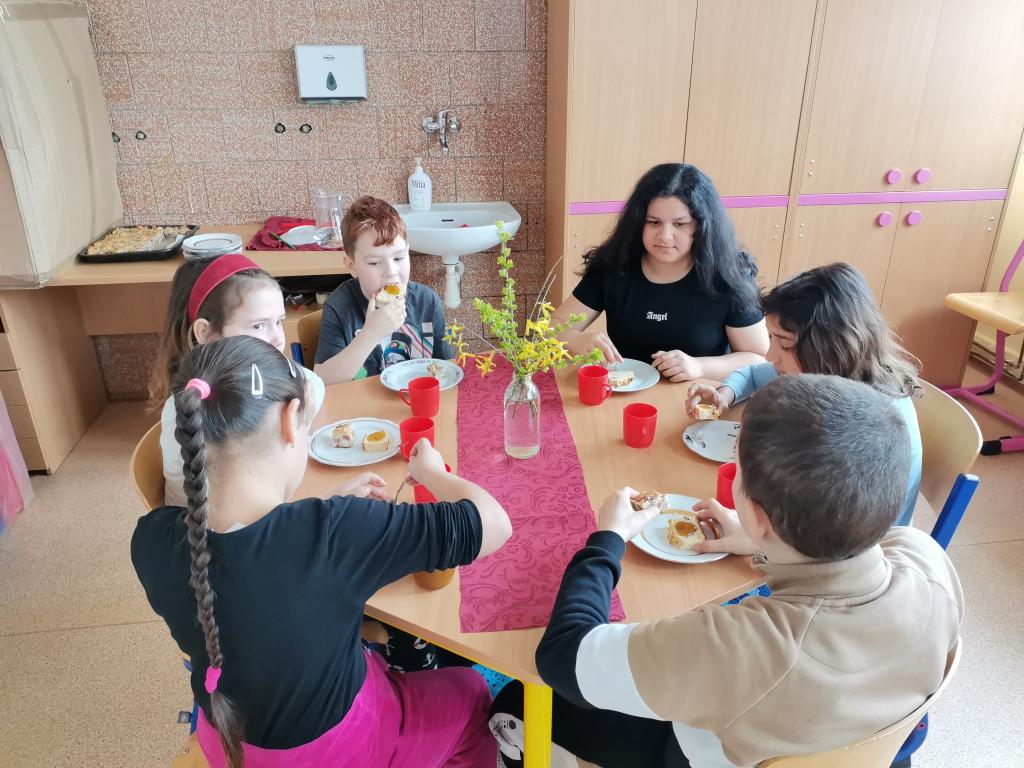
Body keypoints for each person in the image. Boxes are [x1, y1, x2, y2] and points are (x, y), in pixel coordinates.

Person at [490, 375, 962, 768]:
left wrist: (607, 540)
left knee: (515, 700)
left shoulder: (740, 645)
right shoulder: (926, 557)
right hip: (855, 742)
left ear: (755, 513)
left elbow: (562, 657)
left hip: (698, 751)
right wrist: (764, 544)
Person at [132, 335, 511, 767]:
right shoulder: (337, 531)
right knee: (470, 690)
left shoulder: (150, 539)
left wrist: (322, 510)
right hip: (340, 750)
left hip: (225, 743)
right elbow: (494, 524)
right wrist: (432, 473)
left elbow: (256, 570)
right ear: (289, 419)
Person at [687, 262, 922, 525]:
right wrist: (725, 394)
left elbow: (833, 529)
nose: (770, 355)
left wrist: (753, 536)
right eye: (771, 339)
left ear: (830, 347)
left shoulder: (873, 424)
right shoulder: (820, 372)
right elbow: (752, 373)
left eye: (785, 345)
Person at [150, 254, 348, 508]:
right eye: (258, 326)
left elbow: (313, 384)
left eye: (279, 322)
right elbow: (207, 508)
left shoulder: (260, 378)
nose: (277, 338)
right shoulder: (192, 407)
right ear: (206, 333)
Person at [551, 163, 768, 382]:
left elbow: (757, 359)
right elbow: (551, 328)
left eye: (680, 224)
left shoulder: (728, 276)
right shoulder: (613, 267)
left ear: (702, 226)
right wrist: (576, 340)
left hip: (698, 395)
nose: (665, 236)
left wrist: (699, 367)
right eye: (653, 222)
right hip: (624, 394)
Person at [315, 196, 451, 383]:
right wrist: (371, 334)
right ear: (352, 265)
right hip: (362, 400)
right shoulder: (338, 306)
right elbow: (322, 380)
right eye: (374, 262)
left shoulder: (427, 302)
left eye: (398, 258)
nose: (391, 272)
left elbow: (446, 368)